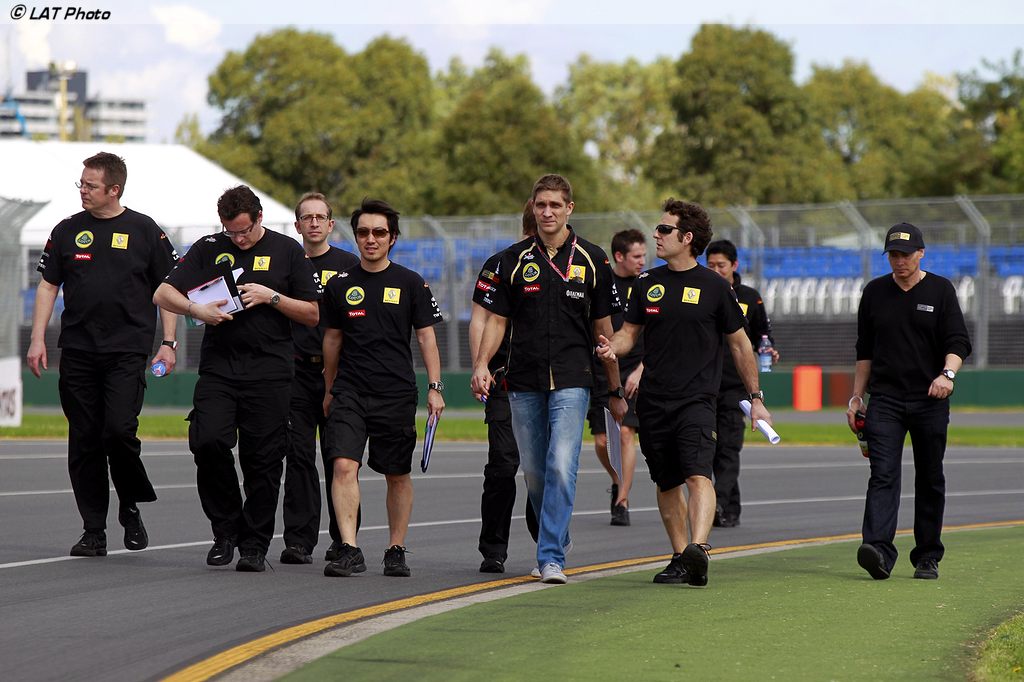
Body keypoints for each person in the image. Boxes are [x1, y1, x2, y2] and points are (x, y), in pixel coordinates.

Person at [597, 199, 771, 588]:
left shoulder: (715, 287)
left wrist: (756, 398)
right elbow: (628, 334)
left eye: (664, 229)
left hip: (698, 400)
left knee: (697, 473)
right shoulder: (647, 283)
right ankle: (680, 557)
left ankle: (699, 548)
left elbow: (741, 346)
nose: (656, 235)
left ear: (687, 238)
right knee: (666, 481)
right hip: (654, 401)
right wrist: (612, 348)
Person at [154, 185, 320, 572]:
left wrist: (271, 297)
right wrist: (195, 308)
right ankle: (226, 529)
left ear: (259, 218)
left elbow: (312, 314)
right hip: (220, 368)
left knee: (263, 461)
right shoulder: (210, 247)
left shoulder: (287, 250)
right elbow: (162, 293)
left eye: (244, 231)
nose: (239, 239)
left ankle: (254, 544)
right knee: (207, 441)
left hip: (270, 372)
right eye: (231, 231)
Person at [472, 174, 625, 585]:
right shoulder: (511, 260)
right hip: (522, 380)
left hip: (574, 379)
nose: (548, 212)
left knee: (560, 465)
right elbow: (496, 321)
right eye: (541, 205)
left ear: (569, 208)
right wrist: (481, 364)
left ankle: (551, 556)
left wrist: (614, 388)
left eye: (556, 205)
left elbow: (605, 330)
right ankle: (558, 533)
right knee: (535, 473)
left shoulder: (592, 259)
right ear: (533, 208)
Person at [27, 151, 179, 557]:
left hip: (126, 351)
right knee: (84, 441)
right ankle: (93, 530)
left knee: (118, 432)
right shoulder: (66, 230)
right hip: (78, 350)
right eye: (80, 183)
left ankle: (129, 504)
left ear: (114, 189)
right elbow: (48, 286)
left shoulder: (145, 230)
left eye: (90, 185)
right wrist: (37, 339)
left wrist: (168, 343)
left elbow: (168, 290)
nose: (82, 190)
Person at [320, 198, 444, 578]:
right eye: (363, 232)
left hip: (396, 392)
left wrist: (435, 387)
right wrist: (329, 388)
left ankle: (395, 548)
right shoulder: (339, 284)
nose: (370, 239)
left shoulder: (411, 282)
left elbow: (426, 338)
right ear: (355, 237)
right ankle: (349, 548)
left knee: (396, 474)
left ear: (392, 238)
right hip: (350, 390)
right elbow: (332, 340)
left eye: (379, 232)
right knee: (343, 464)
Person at [847, 222, 971, 581]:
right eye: (893, 255)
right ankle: (878, 551)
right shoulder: (874, 292)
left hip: (930, 399)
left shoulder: (940, 290)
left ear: (921, 254)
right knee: (882, 475)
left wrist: (947, 375)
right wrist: (857, 396)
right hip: (885, 400)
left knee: (930, 476)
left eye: (905, 254)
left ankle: (927, 555)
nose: (899, 261)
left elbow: (958, 342)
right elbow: (864, 351)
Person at [280, 192, 359, 565]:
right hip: (295, 372)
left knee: (340, 459)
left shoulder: (349, 265)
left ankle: (344, 539)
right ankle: (298, 540)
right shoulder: (285, 262)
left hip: (339, 375)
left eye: (320, 217)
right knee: (298, 457)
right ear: (297, 225)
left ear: (331, 224)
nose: (313, 223)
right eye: (306, 217)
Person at [470, 199, 539, 574]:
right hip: (505, 379)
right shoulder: (500, 263)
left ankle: (548, 542)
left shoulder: (571, 264)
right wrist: (480, 367)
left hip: (551, 382)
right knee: (502, 464)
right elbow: (480, 319)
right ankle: (493, 549)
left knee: (543, 469)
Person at [705, 239, 778, 528]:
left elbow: (763, 335)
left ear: (734, 265)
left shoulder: (749, 297)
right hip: (705, 384)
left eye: (721, 265)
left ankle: (719, 503)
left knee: (728, 447)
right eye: (710, 265)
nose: (715, 270)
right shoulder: (702, 292)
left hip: (735, 388)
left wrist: (769, 349)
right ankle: (728, 506)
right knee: (709, 450)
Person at [586, 229, 646, 526]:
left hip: (634, 371)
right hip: (601, 371)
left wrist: (641, 370)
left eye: (644, 255)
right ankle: (617, 479)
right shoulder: (601, 282)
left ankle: (622, 500)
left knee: (624, 434)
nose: (642, 261)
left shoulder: (648, 286)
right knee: (601, 441)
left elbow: (659, 334)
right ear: (619, 256)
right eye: (637, 256)